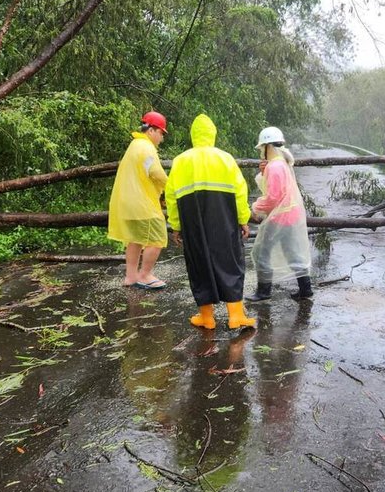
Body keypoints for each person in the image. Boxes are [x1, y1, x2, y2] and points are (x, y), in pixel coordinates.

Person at [165, 113, 255, 330]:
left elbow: (171, 196)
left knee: (199, 263)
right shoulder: (225, 158)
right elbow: (241, 192)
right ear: (213, 134)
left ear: (193, 135)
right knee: (230, 260)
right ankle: (235, 316)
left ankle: (206, 318)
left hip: (192, 221)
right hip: (224, 219)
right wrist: (243, 220)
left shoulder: (180, 161)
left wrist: (176, 226)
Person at [246, 126, 313, 301]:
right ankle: (306, 289)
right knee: (292, 252)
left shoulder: (275, 166)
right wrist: (263, 172)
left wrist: (255, 206)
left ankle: (263, 291)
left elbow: (273, 197)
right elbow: (276, 190)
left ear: (268, 146)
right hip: (291, 215)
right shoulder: (281, 164)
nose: (261, 151)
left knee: (261, 252)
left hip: (280, 217)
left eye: (262, 148)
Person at [107, 110, 169, 289]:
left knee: (135, 239)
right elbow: (156, 173)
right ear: (151, 130)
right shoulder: (146, 148)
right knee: (157, 237)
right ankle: (145, 275)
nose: (161, 139)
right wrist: (171, 186)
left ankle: (131, 276)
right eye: (161, 133)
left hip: (127, 202)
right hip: (142, 203)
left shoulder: (134, 145)